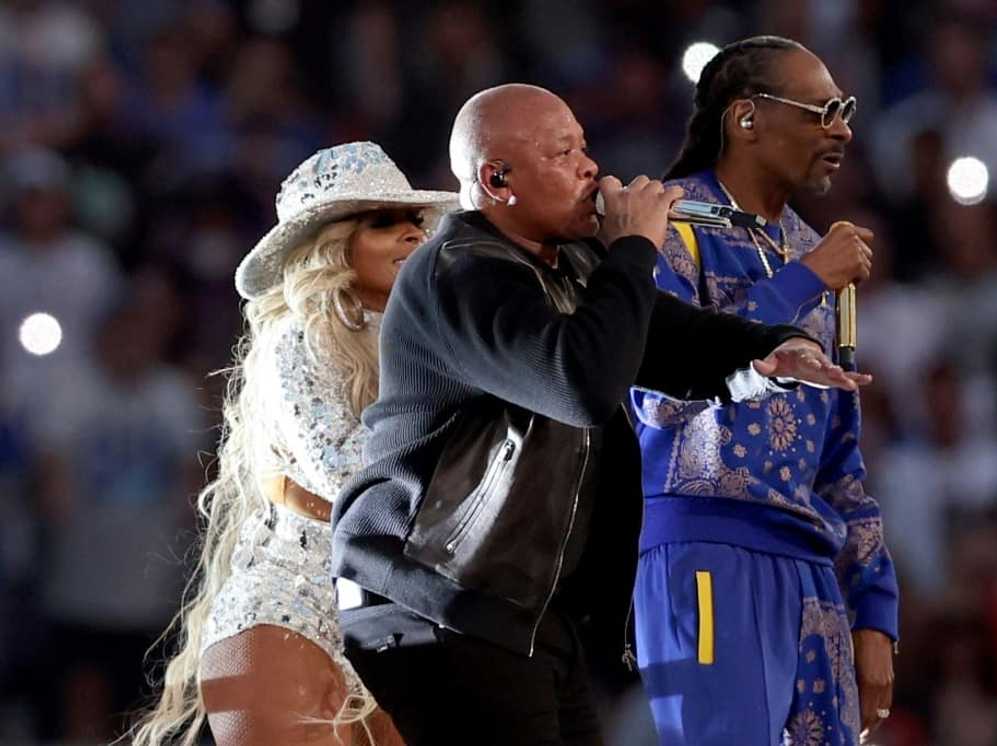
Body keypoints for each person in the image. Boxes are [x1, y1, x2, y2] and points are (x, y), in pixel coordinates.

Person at [332, 83, 871, 746]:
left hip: (520, 614)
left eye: (584, 146)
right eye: (564, 153)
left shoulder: (573, 263)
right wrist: (636, 250)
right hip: (435, 601)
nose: (592, 167)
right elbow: (580, 380)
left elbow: (667, 337)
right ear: (497, 179)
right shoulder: (459, 272)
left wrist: (768, 353)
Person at [132, 141, 458, 745]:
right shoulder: (298, 339)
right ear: (331, 245)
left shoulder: (439, 339)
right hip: (295, 606)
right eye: (383, 222)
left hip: (401, 613)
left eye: (415, 220)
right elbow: (351, 478)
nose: (412, 234)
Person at [630, 36, 898, 745]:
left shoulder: (814, 250)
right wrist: (805, 279)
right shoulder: (665, 222)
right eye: (823, 111)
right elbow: (660, 397)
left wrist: (874, 611)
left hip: (812, 572)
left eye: (846, 110)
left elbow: (841, 462)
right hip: (705, 547)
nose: (842, 128)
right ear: (746, 118)